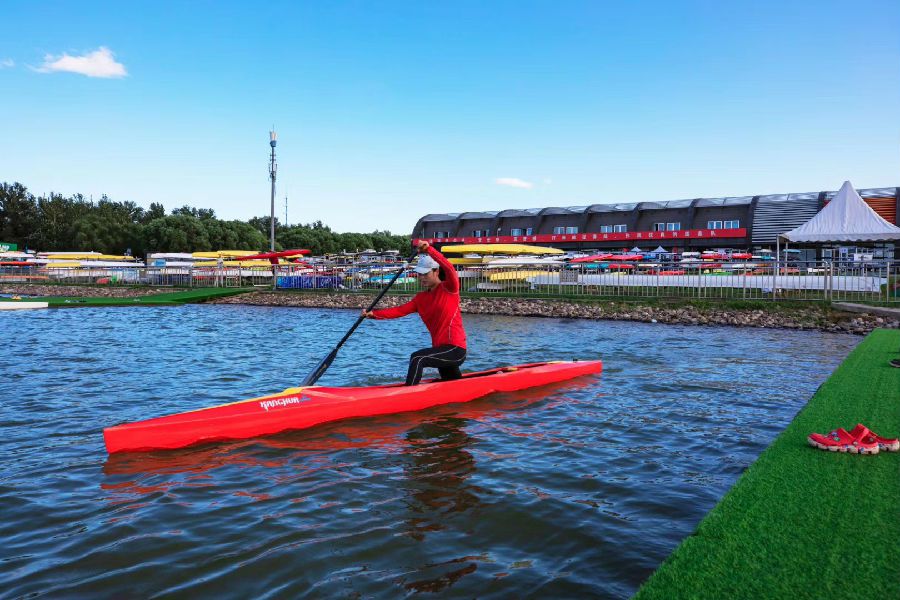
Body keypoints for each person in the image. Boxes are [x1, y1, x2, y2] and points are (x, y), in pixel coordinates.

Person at [362, 241, 467, 385]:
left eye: (425, 274)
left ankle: (407, 394)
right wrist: (374, 314)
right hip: (440, 350)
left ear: (436, 271)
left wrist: (429, 250)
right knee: (454, 384)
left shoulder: (449, 288)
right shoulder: (421, 299)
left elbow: (449, 268)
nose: (422, 277)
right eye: (419, 274)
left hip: (455, 348)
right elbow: (399, 311)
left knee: (417, 358)